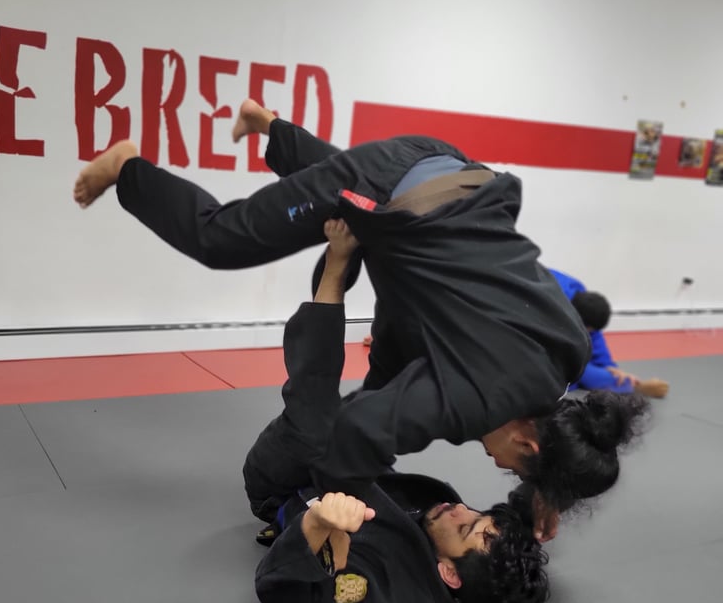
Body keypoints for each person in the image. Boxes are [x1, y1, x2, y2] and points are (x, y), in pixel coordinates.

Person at [72, 99, 650, 541]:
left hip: (455, 174)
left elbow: (419, 329)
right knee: (222, 239)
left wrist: (543, 489)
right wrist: (347, 514)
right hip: (389, 191)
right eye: (510, 466)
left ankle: (268, 125)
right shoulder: (478, 398)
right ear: (527, 439)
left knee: (350, 204)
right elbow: (352, 437)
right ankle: (128, 169)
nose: (490, 460)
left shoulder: (566, 353)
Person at [246, 220, 549, 603]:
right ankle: (396, 261)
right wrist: (550, 495)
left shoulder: (386, 588)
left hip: (288, 481)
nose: (460, 508)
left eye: (465, 528)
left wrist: (319, 521)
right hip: (355, 467)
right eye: (475, 514)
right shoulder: (479, 553)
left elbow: (282, 592)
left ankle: (336, 265)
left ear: (449, 574)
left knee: (313, 415)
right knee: (399, 391)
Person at [548, 268, 669, 399]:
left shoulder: (581, 298)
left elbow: (594, 336)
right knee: (572, 369)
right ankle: (628, 386)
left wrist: (609, 366)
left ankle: (623, 383)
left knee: (577, 368)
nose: (590, 332)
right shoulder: (550, 307)